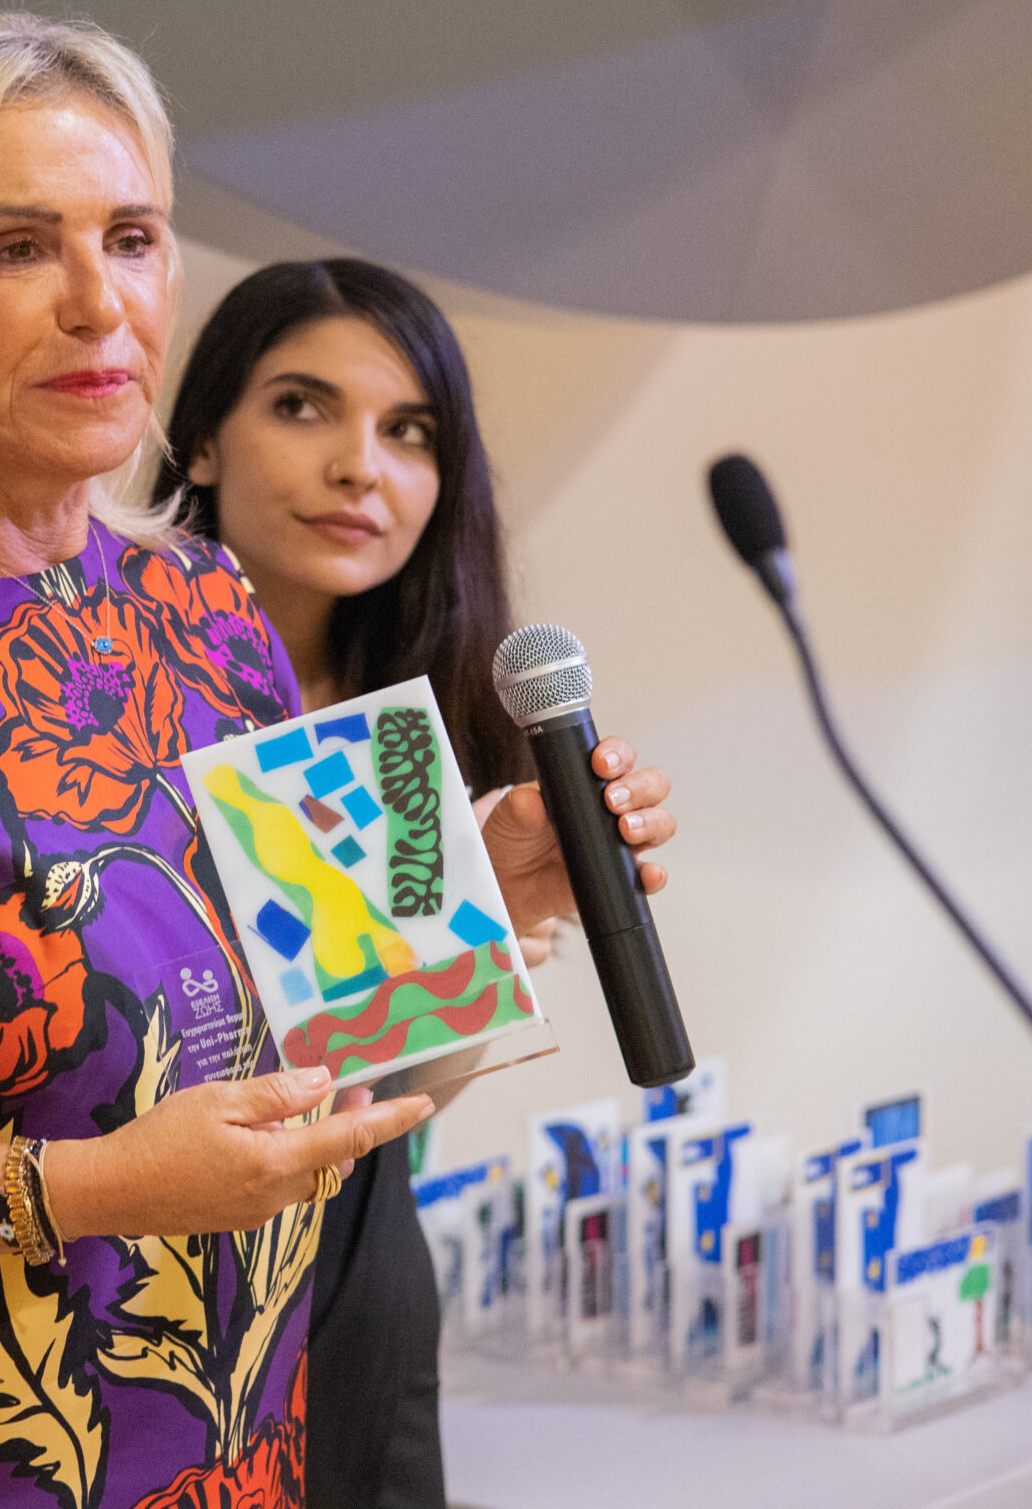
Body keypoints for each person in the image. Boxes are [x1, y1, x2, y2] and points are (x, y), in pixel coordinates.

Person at [0, 10, 604, 1509]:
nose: (100, 304)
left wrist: (483, 885)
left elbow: (345, 1042)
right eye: (18, 247)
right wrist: (87, 1188)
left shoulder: (208, 600)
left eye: (135, 239)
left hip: (250, 1462)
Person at [155, 258, 678, 1507]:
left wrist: (497, 917)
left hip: (352, 1264)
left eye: (409, 432)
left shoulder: (400, 736)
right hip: (135, 1271)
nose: (360, 468)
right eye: (301, 407)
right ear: (202, 441)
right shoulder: (96, 698)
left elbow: (394, 1092)